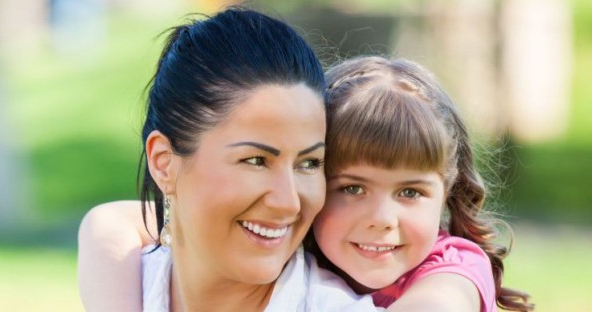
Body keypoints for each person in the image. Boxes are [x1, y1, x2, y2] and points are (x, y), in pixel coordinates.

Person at [78, 7, 378, 312]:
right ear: (163, 162)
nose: (289, 203)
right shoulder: (130, 283)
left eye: (309, 163)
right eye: (256, 160)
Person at [309, 56, 533, 311]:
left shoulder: (455, 271)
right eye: (353, 188)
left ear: (447, 192)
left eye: (409, 192)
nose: (382, 219)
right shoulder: (291, 266)